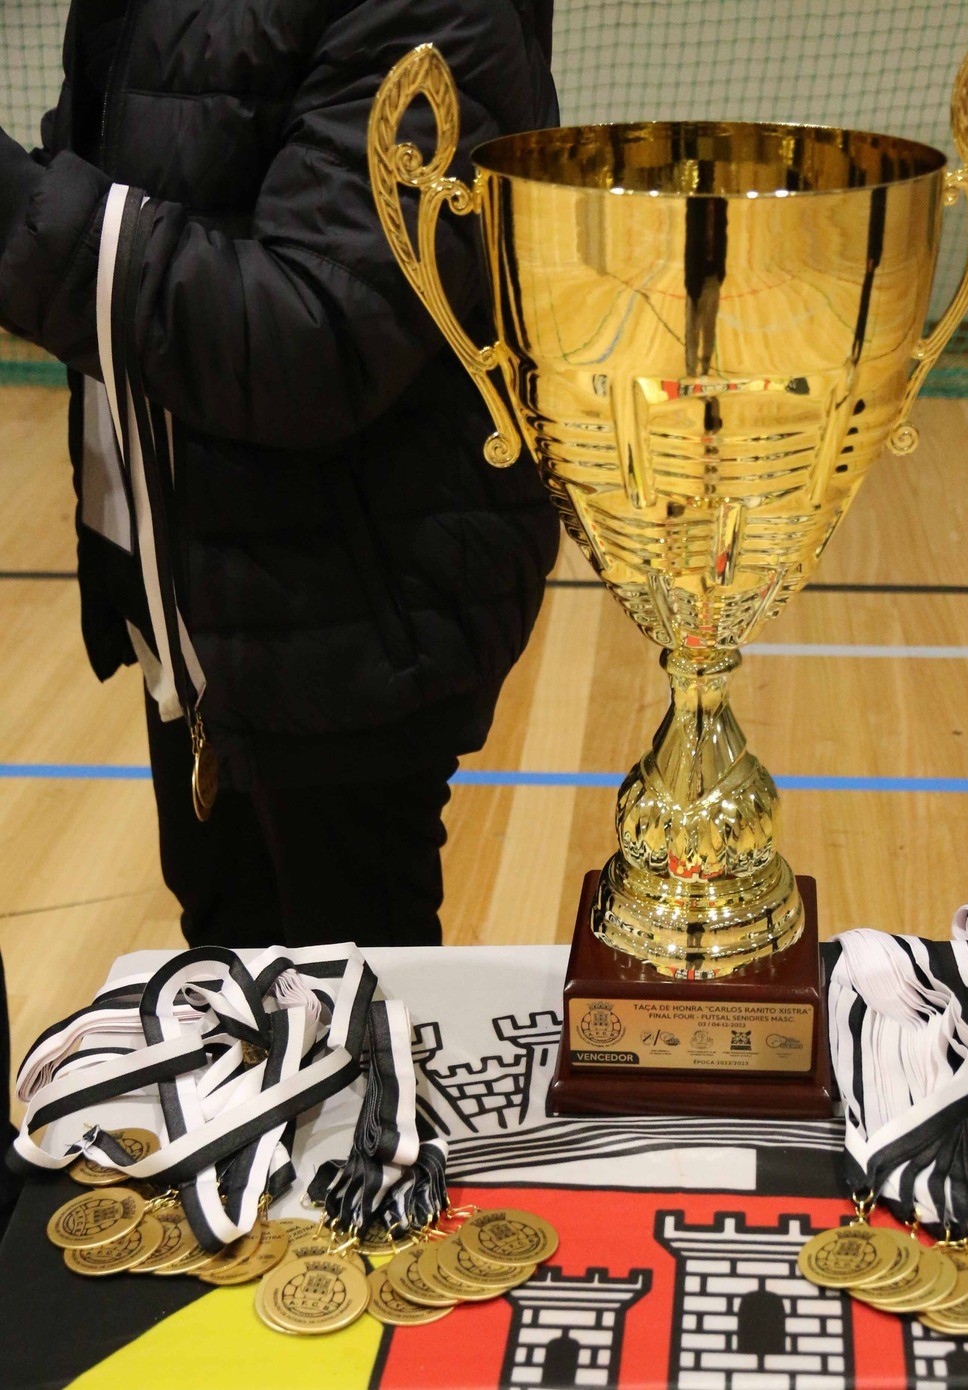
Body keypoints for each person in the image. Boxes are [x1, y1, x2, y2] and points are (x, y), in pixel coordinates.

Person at [0, 1, 561, 949]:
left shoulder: (445, 14)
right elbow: (116, 194)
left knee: (346, 1031)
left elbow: (319, 334)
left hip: (348, 618)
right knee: (225, 981)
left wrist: (13, 215)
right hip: (190, 601)